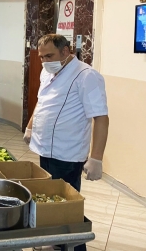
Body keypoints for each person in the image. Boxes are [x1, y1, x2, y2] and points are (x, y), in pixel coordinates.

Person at [23, 34, 109, 251]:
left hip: (67, 153)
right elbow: (41, 101)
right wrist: (31, 126)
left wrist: (96, 158)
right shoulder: (47, 71)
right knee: (49, 200)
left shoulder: (86, 76)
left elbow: (101, 118)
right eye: (41, 57)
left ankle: (73, 246)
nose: (44, 61)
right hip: (45, 148)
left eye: (49, 56)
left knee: (66, 207)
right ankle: (54, 240)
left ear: (66, 51)